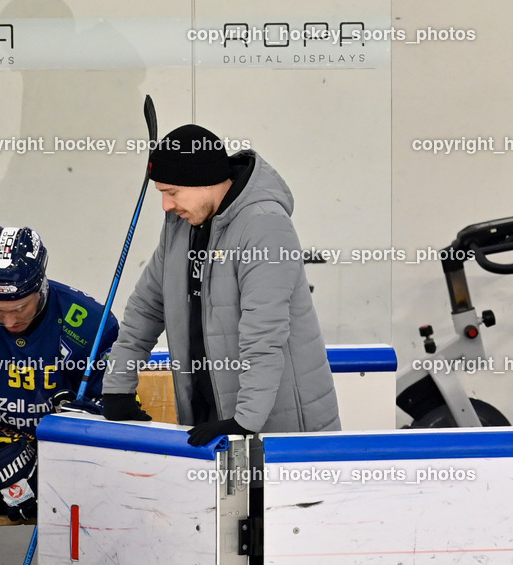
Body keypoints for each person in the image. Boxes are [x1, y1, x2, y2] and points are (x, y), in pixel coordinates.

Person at [100, 124, 340, 443]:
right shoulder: (180, 227)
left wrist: (244, 422)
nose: (166, 206)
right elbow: (145, 310)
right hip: (210, 421)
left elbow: (264, 334)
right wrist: (118, 387)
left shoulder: (264, 225)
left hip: (280, 431)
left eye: (172, 192)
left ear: (202, 180)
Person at [0, 226, 119, 525]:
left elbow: (115, 408)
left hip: (62, 457)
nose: (9, 322)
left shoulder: (91, 325)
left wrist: (76, 423)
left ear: (41, 287)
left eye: (20, 309)